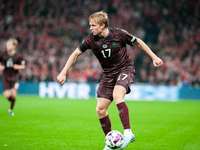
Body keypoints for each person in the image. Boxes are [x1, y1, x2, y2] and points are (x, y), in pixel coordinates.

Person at [57, 11, 163, 150]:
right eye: (90, 25)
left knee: (117, 95)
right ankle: (111, 142)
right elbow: (76, 53)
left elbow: (139, 42)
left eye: (93, 25)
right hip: (108, 74)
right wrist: (63, 72)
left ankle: (128, 133)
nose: (91, 28)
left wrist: (154, 57)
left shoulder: (119, 34)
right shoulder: (90, 39)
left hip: (125, 69)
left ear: (103, 25)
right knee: (100, 109)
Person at [0, 38, 26, 116]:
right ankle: (12, 103)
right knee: (7, 95)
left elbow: (23, 66)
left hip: (14, 78)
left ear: (14, 46)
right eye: (7, 45)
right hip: (5, 78)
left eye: (9, 45)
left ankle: (10, 110)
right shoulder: (3, 55)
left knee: (13, 94)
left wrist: (17, 67)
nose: (7, 46)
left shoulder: (18, 56)